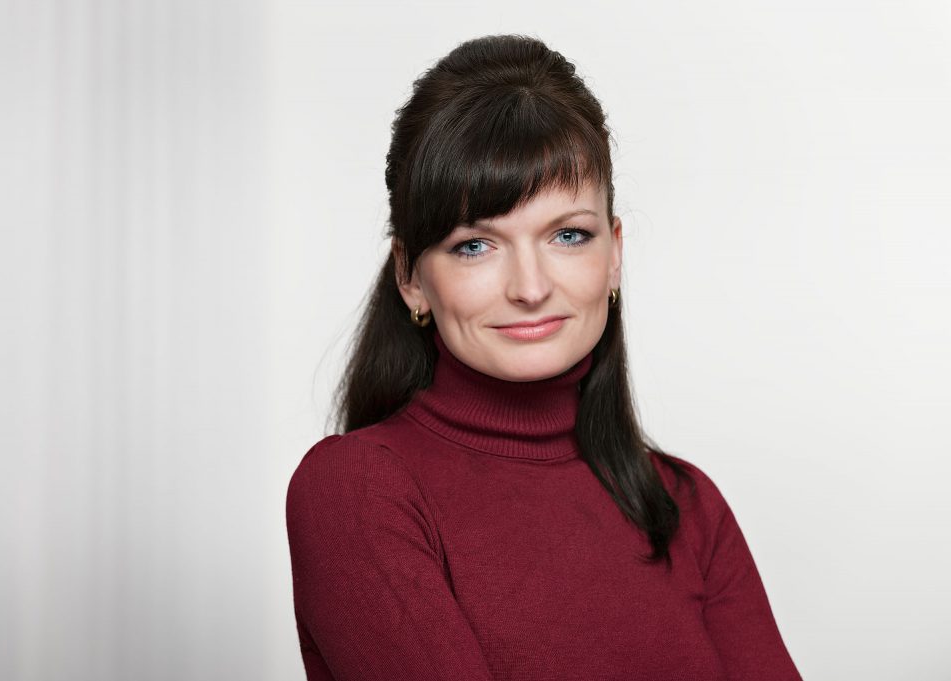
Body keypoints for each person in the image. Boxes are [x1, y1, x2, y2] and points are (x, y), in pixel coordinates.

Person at [285, 33, 802, 681]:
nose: (530, 288)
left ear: (614, 254)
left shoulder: (684, 505)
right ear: (410, 276)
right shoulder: (356, 490)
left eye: (569, 235)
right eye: (475, 245)